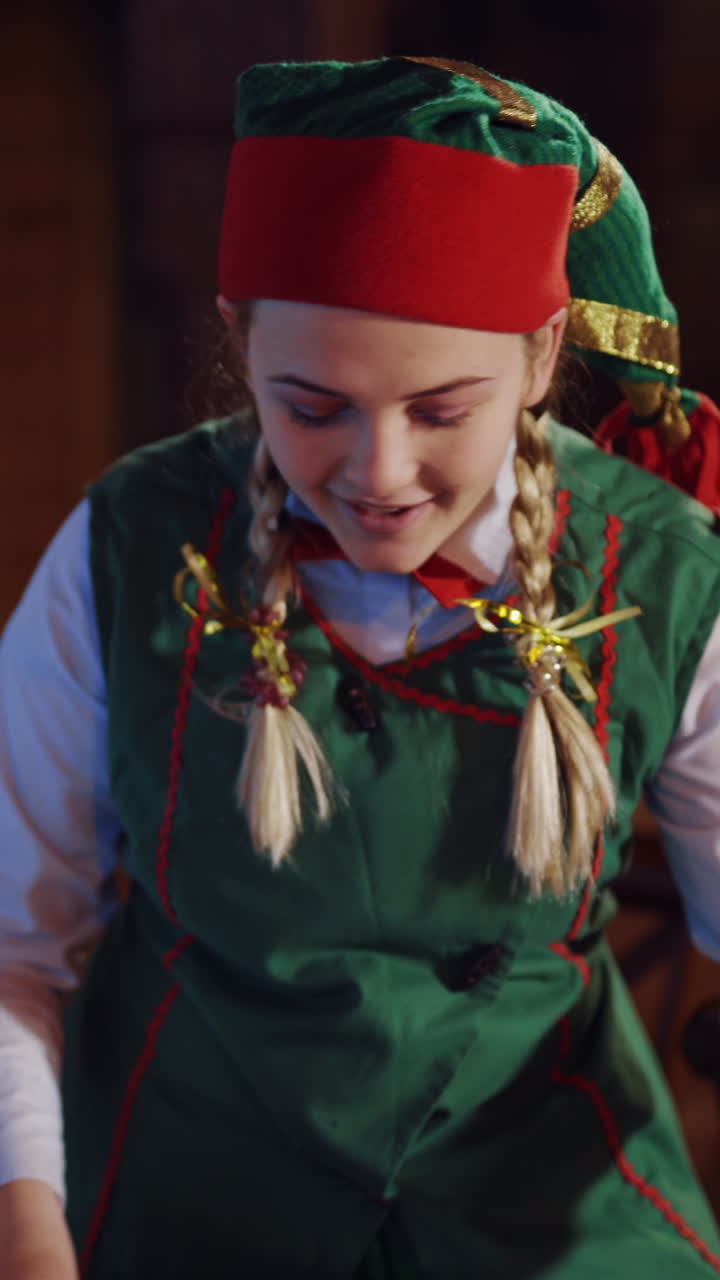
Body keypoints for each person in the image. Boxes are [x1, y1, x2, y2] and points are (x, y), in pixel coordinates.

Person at [1, 54, 720, 1280]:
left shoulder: (657, 569)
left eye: (442, 411)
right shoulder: (132, 542)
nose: (379, 475)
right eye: (311, 404)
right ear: (237, 342)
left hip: (544, 1188)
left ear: (543, 357)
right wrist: (26, 1229)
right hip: (187, 1185)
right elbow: (14, 949)